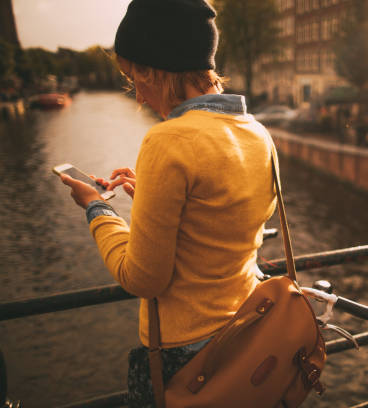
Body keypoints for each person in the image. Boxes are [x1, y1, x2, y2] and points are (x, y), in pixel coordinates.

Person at [57, 0, 277, 406]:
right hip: (245, 333)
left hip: (186, 358)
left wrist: (96, 208)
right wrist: (153, 195)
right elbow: (218, 217)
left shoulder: (168, 140)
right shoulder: (257, 133)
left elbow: (143, 278)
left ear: (151, 69)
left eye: (132, 78)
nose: (138, 96)